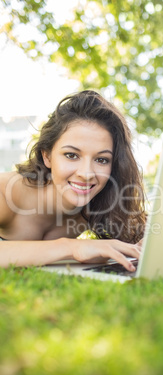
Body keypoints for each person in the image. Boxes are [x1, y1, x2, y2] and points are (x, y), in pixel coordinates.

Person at [0, 90, 146, 271]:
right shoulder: (6, 193)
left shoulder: (100, 204)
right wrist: (72, 247)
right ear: (47, 156)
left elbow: (144, 229)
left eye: (101, 160)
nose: (86, 174)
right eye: (71, 155)